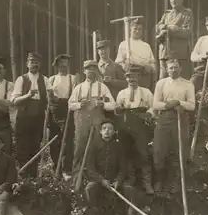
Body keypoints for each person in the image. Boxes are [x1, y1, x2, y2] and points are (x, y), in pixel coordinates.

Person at [84, 119, 141, 215]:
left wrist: (118, 181)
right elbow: (90, 168)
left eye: (110, 129)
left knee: (130, 190)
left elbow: (123, 168)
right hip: (98, 181)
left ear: (114, 132)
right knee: (89, 189)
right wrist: (101, 180)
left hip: (115, 182)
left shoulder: (118, 146)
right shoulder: (93, 145)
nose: (107, 131)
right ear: (100, 131)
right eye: (104, 129)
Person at [68, 60, 116, 191]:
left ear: (96, 71)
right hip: (82, 124)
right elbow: (70, 105)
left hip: (97, 124)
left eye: (93, 69)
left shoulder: (103, 87)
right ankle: (76, 181)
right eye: (88, 69)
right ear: (84, 71)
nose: (91, 71)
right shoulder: (79, 88)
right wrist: (79, 105)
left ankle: (94, 180)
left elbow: (113, 105)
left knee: (95, 151)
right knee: (79, 151)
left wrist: (104, 105)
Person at [152, 59, 195, 197]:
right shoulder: (161, 83)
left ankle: (176, 182)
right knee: (159, 149)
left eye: (175, 68)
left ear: (180, 68)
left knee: (179, 150)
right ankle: (160, 181)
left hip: (181, 118)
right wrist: (169, 105)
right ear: (166, 69)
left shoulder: (188, 84)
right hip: (164, 118)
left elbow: (191, 105)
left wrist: (179, 102)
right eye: (170, 68)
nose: (173, 70)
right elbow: (155, 104)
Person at [12, 52, 53, 178]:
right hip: (24, 118)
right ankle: (23, 176)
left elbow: (51, 98)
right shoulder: (21, 79)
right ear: (27, 64)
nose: (34, 64)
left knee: (35, 146)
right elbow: (14, 101)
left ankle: (33, 176)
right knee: (22, 147)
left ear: (39, 64)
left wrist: (52, 96)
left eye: (36, 62)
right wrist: (28, 95)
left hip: (38, 118)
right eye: (32, 62)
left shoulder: (45, 80)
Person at [115, 66, 155, 194]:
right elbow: (116, 111)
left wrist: (148, 114)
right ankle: (130, 179)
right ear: (126, 79)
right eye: (129, 77)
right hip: (125, 123)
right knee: (126, 152)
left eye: (134, 76)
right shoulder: (121, 93)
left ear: (139, 78)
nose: (131, 79)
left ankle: (146, 183)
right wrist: (119, 109)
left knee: (143, 152)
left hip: (140, 123)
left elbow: (153, 107)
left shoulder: (146, 92)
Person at [48, 54, 77, 179]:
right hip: (54, 110)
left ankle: (66, 169)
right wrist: (51, 98)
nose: (63, 67)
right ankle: (56, 167)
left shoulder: (73, 78)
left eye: (65, 65)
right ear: (57, 66)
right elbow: (48, 96)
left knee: (67, 140)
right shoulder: (52, 79)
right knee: (54, 140)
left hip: (67, 109)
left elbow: (75, 95)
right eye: (61, 65)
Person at [155, 0, 194, 80]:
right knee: (163, 81)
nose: (173, 1)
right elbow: (158, 26)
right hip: (165, 53)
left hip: (179, 54)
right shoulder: (166, 14)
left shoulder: (186, 13)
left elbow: (187, 32)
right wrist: (162, 29)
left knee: (181, 81)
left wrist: (171, 29)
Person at [115, 19, 157, 90]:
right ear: (130, 30)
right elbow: (118, 63)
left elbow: (153, 64)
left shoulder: (146, 46)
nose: (137, 31)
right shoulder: (124, 44)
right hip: (131, 75)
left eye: (140, 29)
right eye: (135, 29)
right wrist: (124, 66)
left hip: (144, 76)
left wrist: (150, 67)